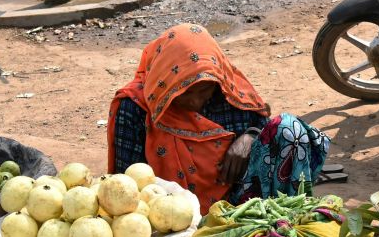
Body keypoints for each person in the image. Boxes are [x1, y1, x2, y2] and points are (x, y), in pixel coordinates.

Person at [107, 23, 330, 214]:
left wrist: (249, 137)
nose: (196, 102)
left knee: (289, 128)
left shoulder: (225, 92)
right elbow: (125, 184)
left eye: (203, 91)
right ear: (164, 82)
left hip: (238, 208)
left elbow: (263, 125)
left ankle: (287, 224)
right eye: (185, 92)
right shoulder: (134, 108)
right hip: (167, 215)